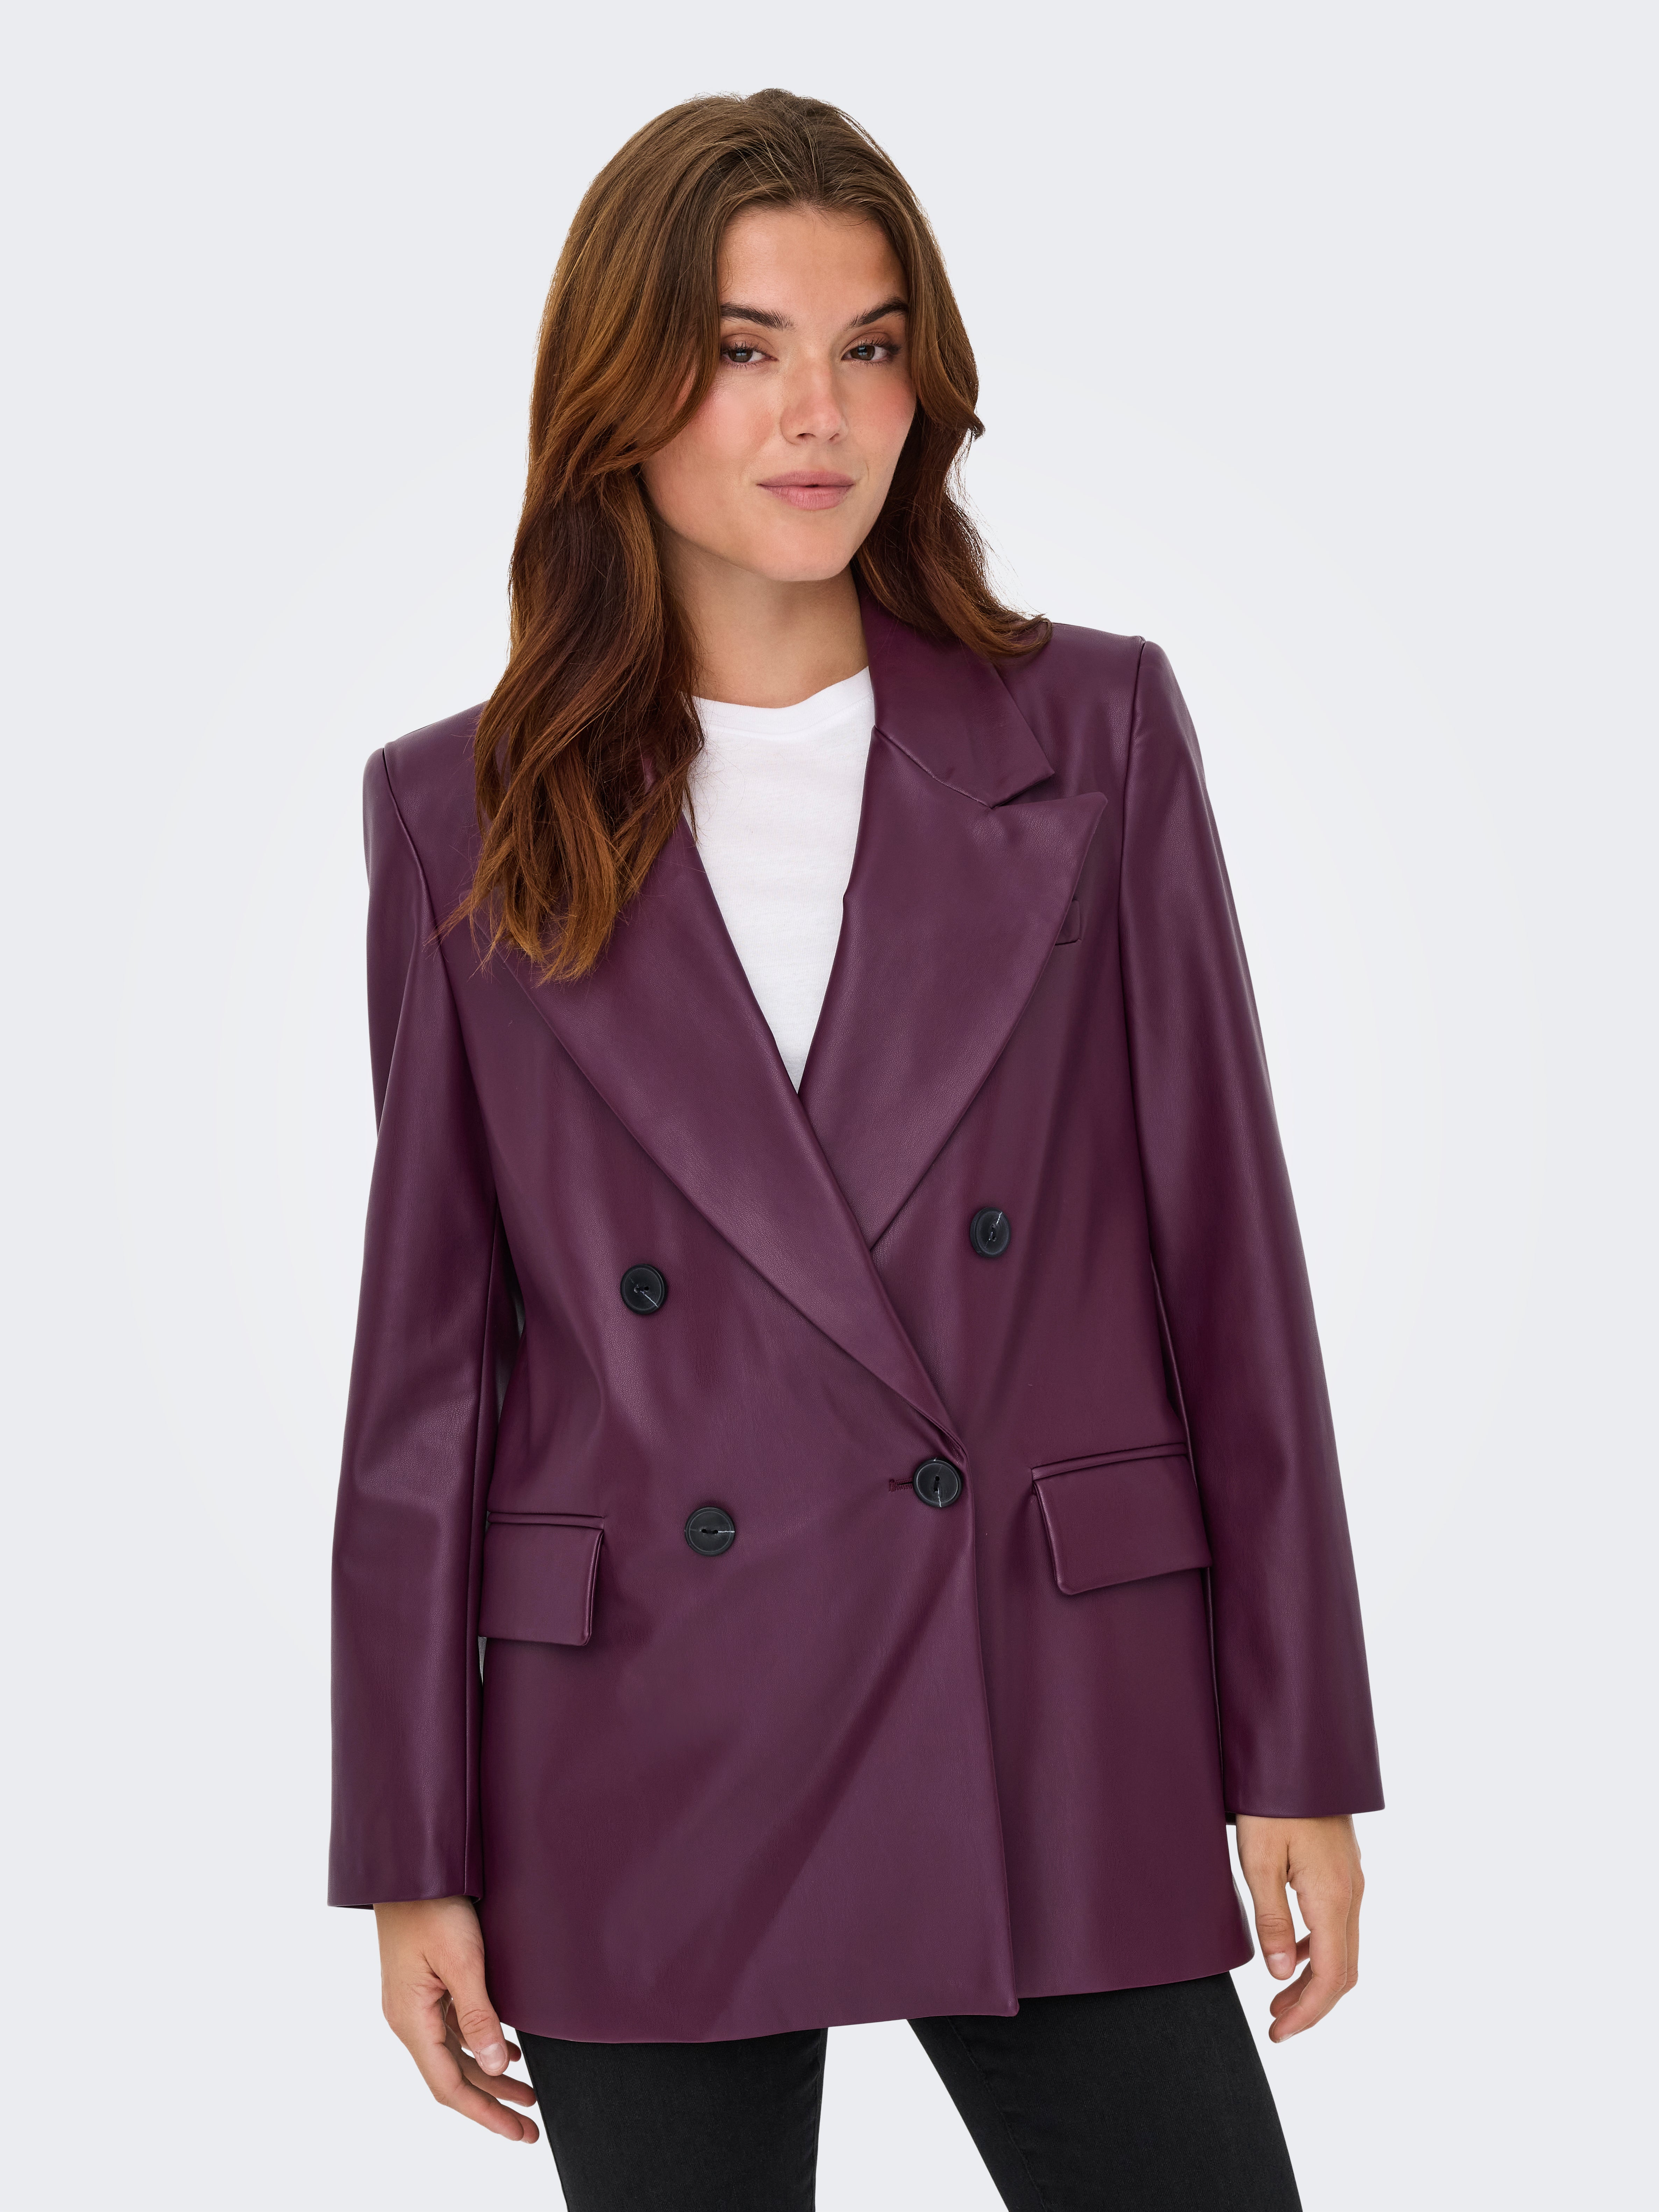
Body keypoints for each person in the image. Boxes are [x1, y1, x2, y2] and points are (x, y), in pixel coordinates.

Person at [330, 87, 1382, 2212]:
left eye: (870, 346)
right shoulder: (462, 813)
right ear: (620, 390)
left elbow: (1228, 1262)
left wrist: (1297, 1746)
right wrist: (407, 1847)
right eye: (745, 349)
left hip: (1040, 1684)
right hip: (643, 1727)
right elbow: (429, 1373)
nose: (819, 413)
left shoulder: (1090, 735)